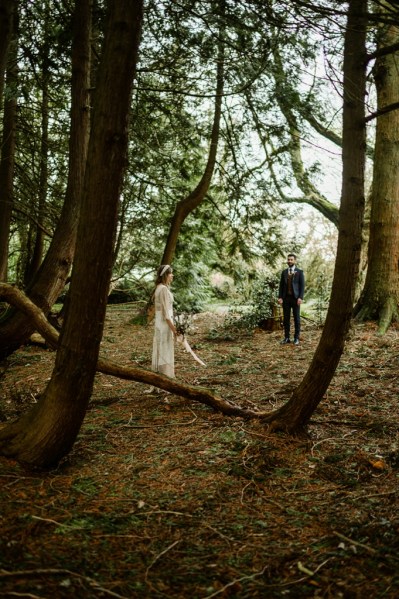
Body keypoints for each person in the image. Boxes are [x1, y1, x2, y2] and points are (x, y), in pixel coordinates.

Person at [151, 264, 177, 378]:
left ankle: (161, 376)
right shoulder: (164, 290)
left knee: (161, 349)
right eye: (170, 273)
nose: (172, 275)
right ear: (165, 275)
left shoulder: (158, 288)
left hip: (160, 324)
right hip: (164, 324)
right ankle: (165, 376)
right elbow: (166, 315)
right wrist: (175, 330)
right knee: (164, 349)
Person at [278, 253, 305, 346]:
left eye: (291, 259)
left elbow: (302, 286)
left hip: (296, 299)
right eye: (288, 259)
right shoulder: (284, 272)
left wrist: (300, 297)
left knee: (297, 319)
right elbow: (281, 286)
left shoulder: (299, 272)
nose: (289, 261)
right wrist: (280, 297)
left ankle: (296, 338)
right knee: (286, 319)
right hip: (286, 299)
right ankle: (286, 338)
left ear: (295, 261)